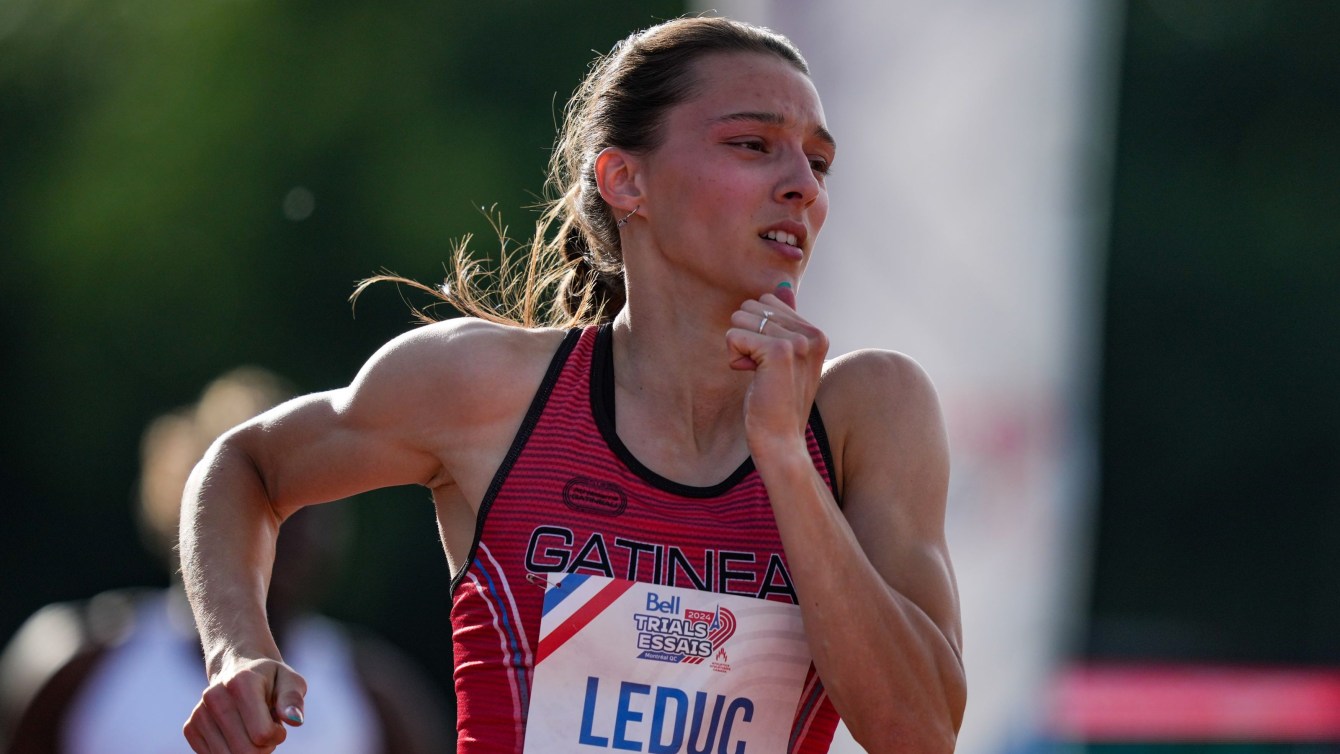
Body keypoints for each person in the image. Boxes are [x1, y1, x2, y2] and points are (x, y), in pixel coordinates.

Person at [179, 16, 966, 754]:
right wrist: (236, 650)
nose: (803, 185)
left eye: (819, 161)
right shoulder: (488, 388)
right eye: (754, 144)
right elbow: (243, 466)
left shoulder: (868, 411)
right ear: (626, 181)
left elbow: (920, 730)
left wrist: (786, 461)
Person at [0, 367, 452, 753]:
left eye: (311, 504)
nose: (296, 528)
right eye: (263, 505)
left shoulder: (378, 698)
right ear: (191, 511)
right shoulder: (74, 666)